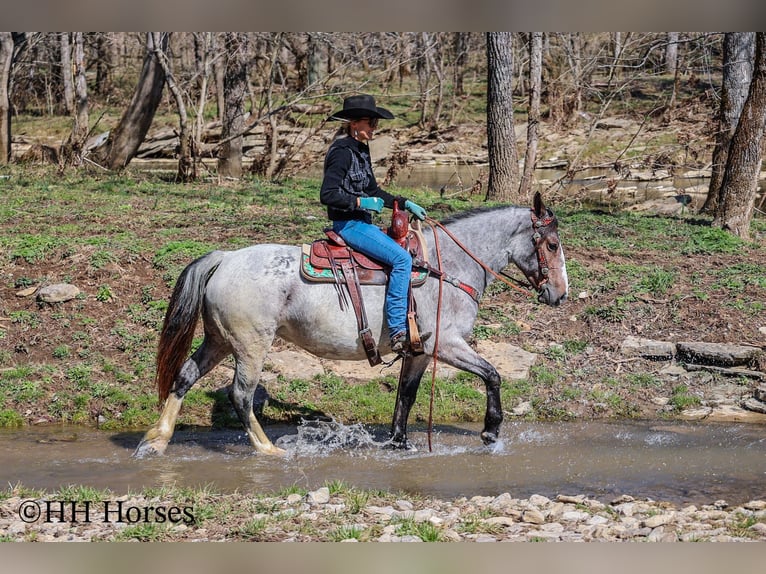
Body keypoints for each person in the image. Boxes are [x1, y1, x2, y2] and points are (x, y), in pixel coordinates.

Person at [320, 94, 427, 354]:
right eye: (371, 123)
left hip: (361, 223)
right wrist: (359, 204)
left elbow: (373, 189)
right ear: (354, 123)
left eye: (375, 124)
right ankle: (398, 331)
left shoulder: (361, 149)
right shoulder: (341, 152)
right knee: (402, 260)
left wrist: (403, 202)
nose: (374, 129)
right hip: (348, 224)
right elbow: (327, 194)